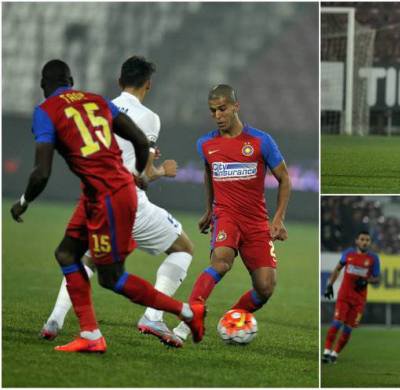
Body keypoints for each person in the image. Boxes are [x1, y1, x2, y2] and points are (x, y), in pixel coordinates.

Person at [10, 59, 204, 353]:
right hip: (119, 198)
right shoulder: (105, 105)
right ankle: (142, 320)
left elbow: (44, 169)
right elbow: (141, 162)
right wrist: (158, 171)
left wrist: (23, 202)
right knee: (83, 258)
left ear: (118, 80)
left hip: (102, 196)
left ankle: (58, 320)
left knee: (93, 265)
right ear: (148, 84)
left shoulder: (75, 108)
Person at [172, 84, 291, 342]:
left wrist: (278, 218)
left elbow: (284, 179)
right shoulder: (206, 144)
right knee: (221, 261)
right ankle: (188, 318)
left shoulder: (261, 141)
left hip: (257, 221)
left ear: (236, 106)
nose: (218, 115)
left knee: (265, 287)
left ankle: (234, 317)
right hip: (226, 216)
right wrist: (209, 209)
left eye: (222, 109)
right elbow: (209, 174)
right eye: (213, 111)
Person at [322, 231, 381, 363]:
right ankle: (326, 352)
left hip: (359, 300)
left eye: (367, 240)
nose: (365, 242)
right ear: (357, 241)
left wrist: (367, 281)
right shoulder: (348, 253)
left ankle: (334, 354)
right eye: (362, 239)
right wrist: (329, 285)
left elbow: (377, 279)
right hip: (344, 295)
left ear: (369, 242)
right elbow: (338, 268)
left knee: (348, 328)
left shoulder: (373, 258)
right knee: (337, 323)